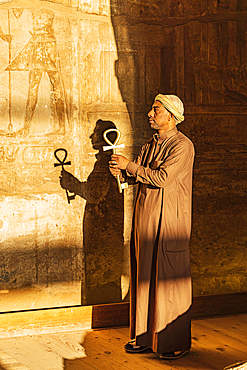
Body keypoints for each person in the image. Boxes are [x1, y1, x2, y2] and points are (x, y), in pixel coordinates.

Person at [109, 94, 195, 360]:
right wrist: (122, 173)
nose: (150, 113)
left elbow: (163, 178)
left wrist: (130, 166)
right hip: (145, 217)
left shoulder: (182, 146)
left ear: (170, 115)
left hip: (170, 221)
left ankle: (172, 341)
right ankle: (146, 337)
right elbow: (140, 176)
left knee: (169, 278)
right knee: (144, 274)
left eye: (155, 109)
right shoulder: (150, 144)